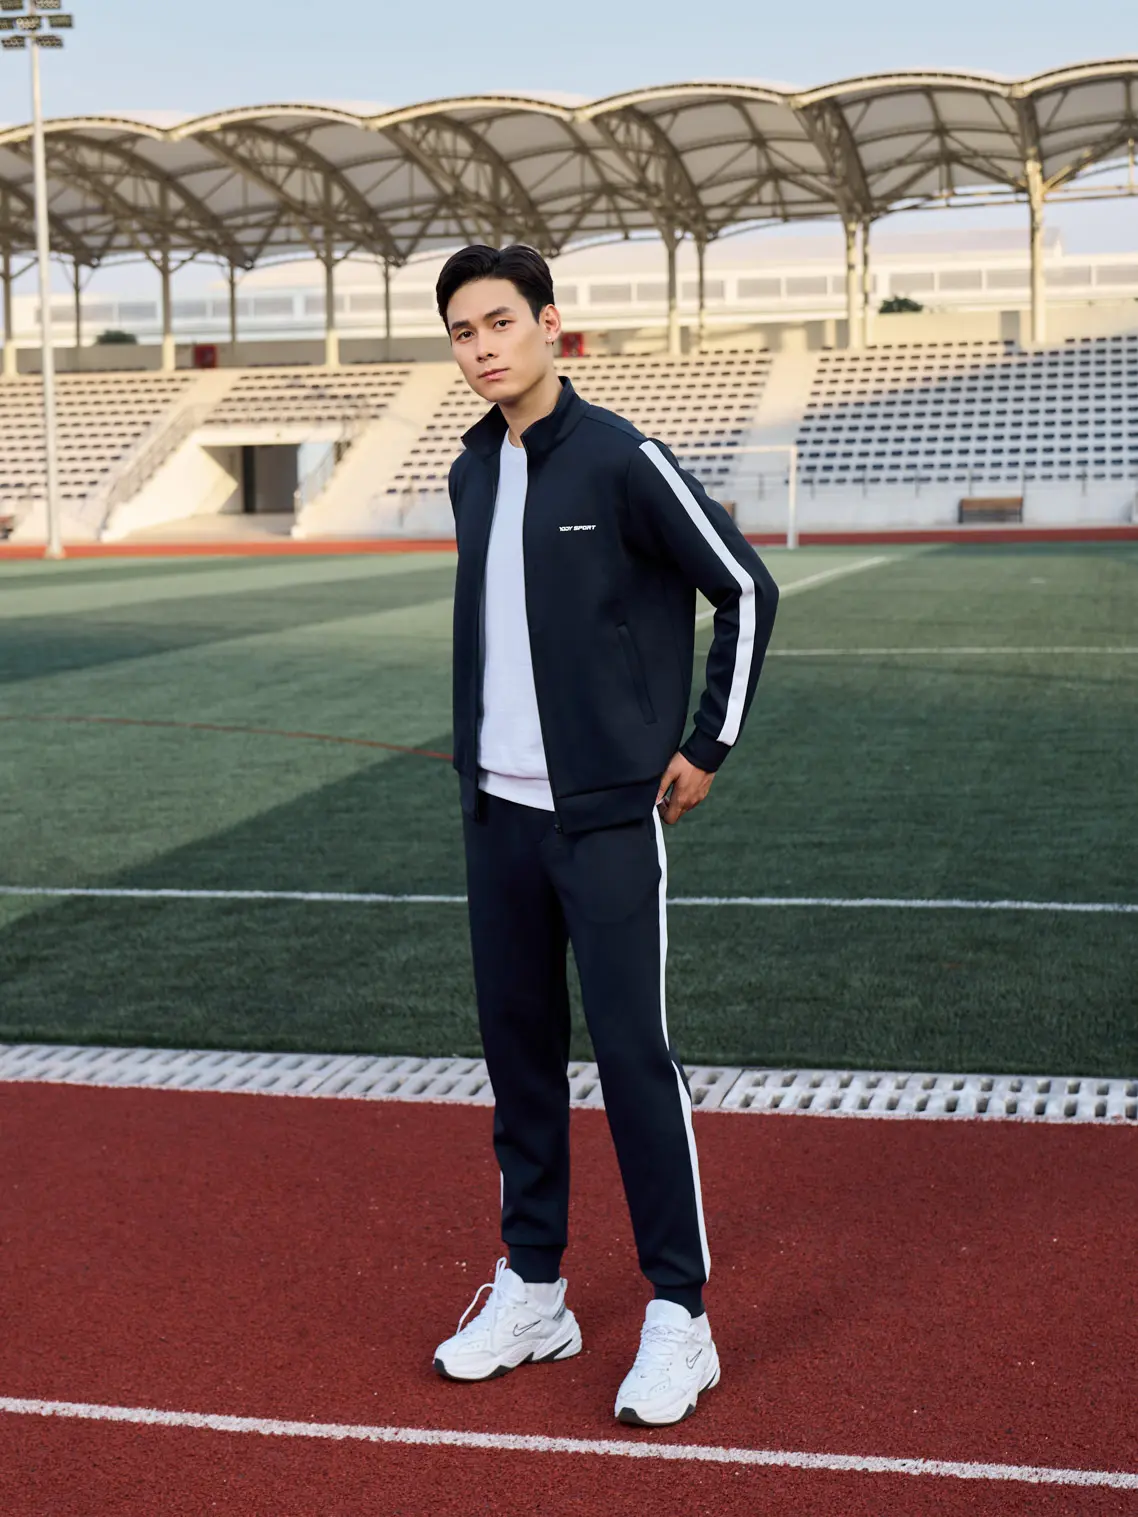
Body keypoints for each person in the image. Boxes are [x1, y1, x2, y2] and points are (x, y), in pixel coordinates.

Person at [431, 244, 779, 1427]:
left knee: (632, 1058)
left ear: (548, 324)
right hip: (497, 816)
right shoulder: (470, 471)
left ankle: (680, 1313)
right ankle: (534, 1289)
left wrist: (707, 743)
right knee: (518, 1057)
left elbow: (744, 586)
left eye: (499, 321)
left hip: (604, 820)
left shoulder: (623, 457)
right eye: (462, 331)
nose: (482, 347)